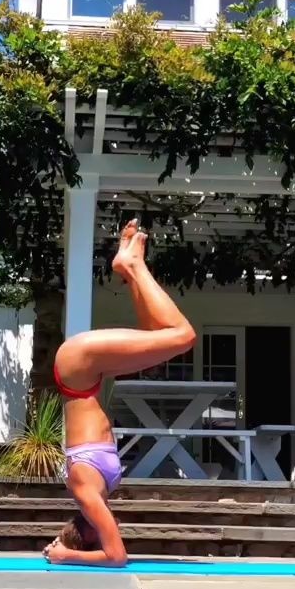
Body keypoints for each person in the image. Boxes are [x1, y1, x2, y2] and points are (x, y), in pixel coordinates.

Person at [43, 218, 197, 566]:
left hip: (77, 369)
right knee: (158, 332)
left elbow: (116, 557)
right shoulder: (99, 492)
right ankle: (128, 269)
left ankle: (132, 264)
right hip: (88, 376)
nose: (113, 527)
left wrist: (64, 554)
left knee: (183, 336)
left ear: (88, 535)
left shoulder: (86, 493)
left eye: (103, 531)